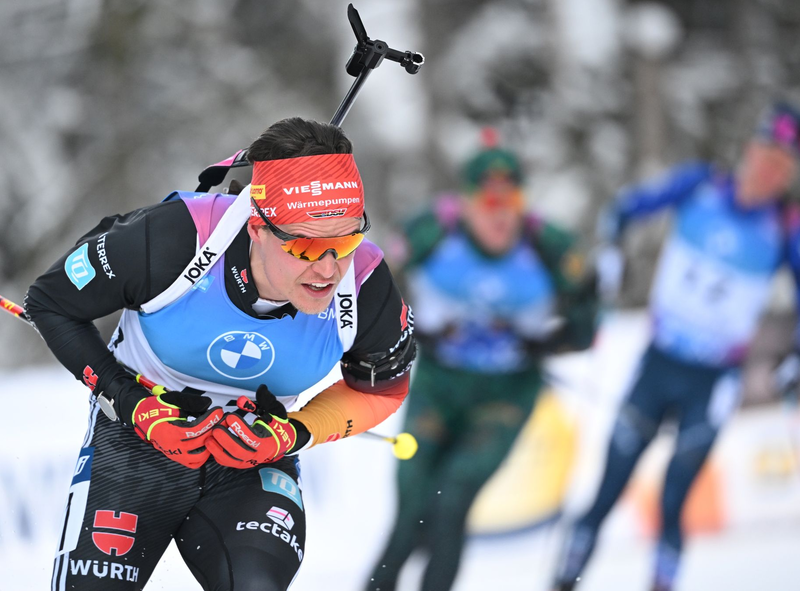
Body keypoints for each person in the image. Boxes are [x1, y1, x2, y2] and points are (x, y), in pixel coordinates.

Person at [24, 117, 416, 591]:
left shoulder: (367, 284)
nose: (329, 270)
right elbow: (50, 303)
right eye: (309, 247)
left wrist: (292, 433)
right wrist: (134, 405)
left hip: (251, 455)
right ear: (258, 228)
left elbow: (382, 389)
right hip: (136, 440)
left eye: (348, 239)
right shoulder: (172, 239)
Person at [551, 100, 800, 591]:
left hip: (712, 382)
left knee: (673, 502)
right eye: (766, 155)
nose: (769, 171)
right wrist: (610, 256)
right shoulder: (699, 185)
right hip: (657, 365)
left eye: (783, 165)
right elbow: (623, 210)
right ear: (749, 150)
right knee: (606, 490)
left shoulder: (785, 227)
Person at [364, 137, 599, 591]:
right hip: (440, 385)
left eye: (509, 201)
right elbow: (374, 287)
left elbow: (587, 329)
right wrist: (417, 330)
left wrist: (549, 339)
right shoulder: (431, 232)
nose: (498, 213)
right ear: (466, 202)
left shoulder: (550, 247)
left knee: (453, 498)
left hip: (505, 395)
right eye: (487, 200)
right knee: (410, 505)